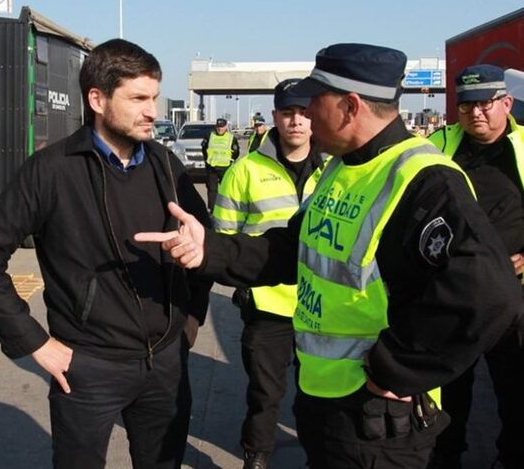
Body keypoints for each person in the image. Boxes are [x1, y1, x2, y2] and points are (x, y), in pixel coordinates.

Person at [136, 43, 523, 469]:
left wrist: (396, 369)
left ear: (349, 107)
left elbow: (490, 293)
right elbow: (289, 249)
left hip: (378, 420)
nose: (304, 116)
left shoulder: (425, 180)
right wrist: (209, 248)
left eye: (313, 102)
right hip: (325, 401)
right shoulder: (341, 168)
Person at [0, 38, 212, 469]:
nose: (153, 110)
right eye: (138, 98)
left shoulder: (167, 165)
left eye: (154, 97)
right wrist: (35, 342)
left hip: (166, 364)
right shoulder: (52, 169)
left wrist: (190, 321)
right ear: (97, 98)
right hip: (88, 368)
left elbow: (207, 244)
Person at [213, 78, 324, 469]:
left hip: (324, 308)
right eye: (288, 112)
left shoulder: (336, 169)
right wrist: (243, 288)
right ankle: (257, 455)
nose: (297, 121)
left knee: (321, 395)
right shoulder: (243, 170)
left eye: (304, 112)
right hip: (268, 306)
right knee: (265, 393)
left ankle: (319, 454)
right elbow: (223, 240)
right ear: (275, 116)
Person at [428, 64, 524, 469]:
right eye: (465, 105)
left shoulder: (522, 149)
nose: (474, 114)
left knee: (516, 395)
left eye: (484, 103)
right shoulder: (436, 145)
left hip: (511, 297)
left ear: (506, 102)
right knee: (448, 399)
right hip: (453, 293)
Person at [201, 117, 239, 211]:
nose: (220, 129)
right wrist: (208, 160)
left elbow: (236, 152)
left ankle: (227, 208)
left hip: (225, 168)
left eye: (222, 127)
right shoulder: (210, 136)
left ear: (226, 127)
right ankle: (212, 210)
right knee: (212, 190)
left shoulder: (231, 138)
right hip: (212, 167)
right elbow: (204, 149)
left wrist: (230, 161)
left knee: (227, 189)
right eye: (218, 127)